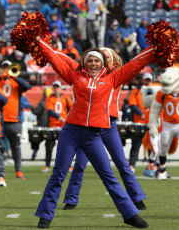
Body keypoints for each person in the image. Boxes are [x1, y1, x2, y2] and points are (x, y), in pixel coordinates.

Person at [34, 38, 155, 228]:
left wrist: (156, 48)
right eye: (90, 60)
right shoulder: (75, 76)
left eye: (97, 61)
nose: (93, 64)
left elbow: (137, 63)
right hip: (71, 132)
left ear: (103, 63)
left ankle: (130, 215)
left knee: (108, 176)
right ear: (84, 62)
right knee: (58, 173)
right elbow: (55, 59)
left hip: (93, 135)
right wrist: (38, 41)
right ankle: (45, 216)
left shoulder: (113, 78)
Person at [60, 47, 147, 211]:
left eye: (107, 57)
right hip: (89, 126)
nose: (104, 60)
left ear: (113, 61)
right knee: (79, 164)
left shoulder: (115, 75)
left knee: (122, 163)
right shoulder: (87, 74)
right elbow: (67, 61)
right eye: (102, 57)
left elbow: (136, 63)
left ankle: (137, 198)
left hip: (109, 124)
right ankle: (71, 199)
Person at [0, 61, 32, 179]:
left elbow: (27, 86)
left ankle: (18, 171)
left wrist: (14, 76)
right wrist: (0, 77)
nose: (6, 69)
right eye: (4, 67)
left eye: (8, 67)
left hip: (14, 120)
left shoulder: (16, 81)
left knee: (15, 147)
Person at [43, 80, 73, 172]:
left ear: (60, 88)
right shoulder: (49, 98)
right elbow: (50, 110)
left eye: (57, 87)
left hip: (64, 126)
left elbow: (72, 108)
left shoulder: (65, 97)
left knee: (66, 147)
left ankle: (68, 165)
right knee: (49, 146)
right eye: (54, 87)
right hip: (53, 125)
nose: (56, 89)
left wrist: (68, 118)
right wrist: (59, 117)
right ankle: (47, 165)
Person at [128, 73, 152, 172]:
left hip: (152, 123)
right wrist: (141, 114)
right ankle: (132, 166)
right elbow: (132, 105)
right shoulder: (136, 91)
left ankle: (152, 166)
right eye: (145, 80)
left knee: (152, 145)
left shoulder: (154, 91)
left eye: (148, 80)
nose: (146, 82)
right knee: (135, 145)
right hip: (139, 122)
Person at [30, 88, 52, 161]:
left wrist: (32, 107)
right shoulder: (52, 102)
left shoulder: (42, 102)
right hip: (49, 126)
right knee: (48, 143)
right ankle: (47, 158)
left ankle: (34, 155)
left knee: (36, 141)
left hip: (41, 125)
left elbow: (36, 112)